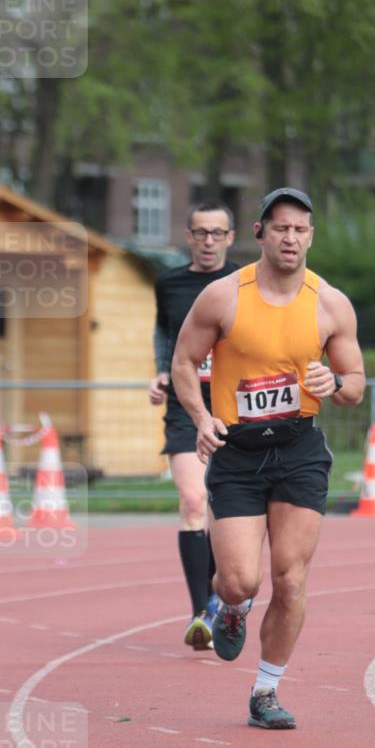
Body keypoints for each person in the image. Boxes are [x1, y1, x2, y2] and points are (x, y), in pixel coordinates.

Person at [172, 187, 365, 728]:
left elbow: (355, 381)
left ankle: (265, 692)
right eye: (281, 227)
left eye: (300, 229)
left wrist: (335, 383)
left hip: (299, 449)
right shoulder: (223, 296)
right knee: (240, 581)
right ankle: (232, 609)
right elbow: (184, 362)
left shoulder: (330, 303)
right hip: (237, 451)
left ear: (311, 237)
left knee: (291, 578)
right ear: (259, 233)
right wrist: (202, 418)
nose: (291, 238)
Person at [149, 200, 237, 649]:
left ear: (230, 238)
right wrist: (162, 371)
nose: (208, 241)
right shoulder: (169, 283)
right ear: (188, 236)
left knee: (222, 510)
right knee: (192, 499)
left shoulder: (245, 281)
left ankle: (221, 597)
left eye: (216, 233)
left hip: (233, 407)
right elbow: (165, 333)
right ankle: (201, 611)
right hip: (186, 405)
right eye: (200, 233)